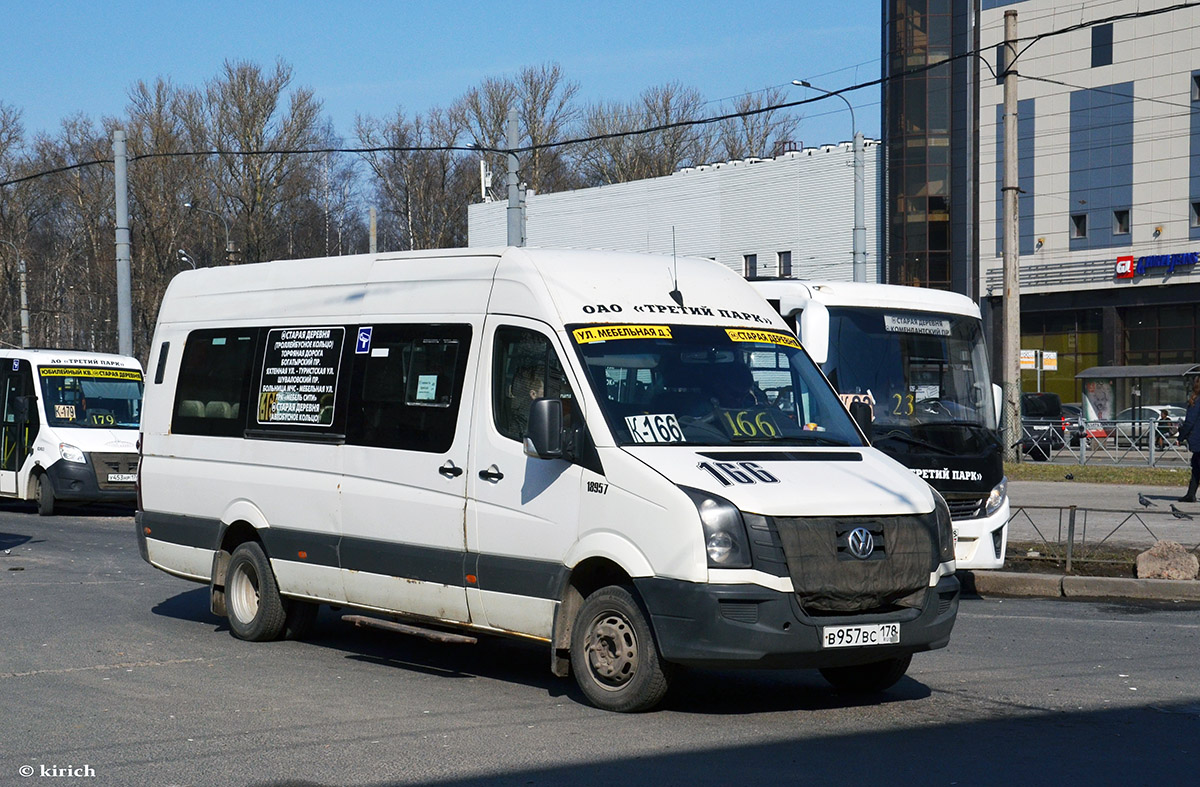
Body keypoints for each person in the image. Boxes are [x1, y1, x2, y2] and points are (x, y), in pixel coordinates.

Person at [1176, 379, 1200, 502]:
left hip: (1198, 440)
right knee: (1196, 466)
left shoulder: (1196, 402)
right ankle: (1190, 494)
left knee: (1197, 465)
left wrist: (1180, 437)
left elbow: (1189, 422)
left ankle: (1190, 495)